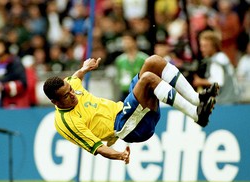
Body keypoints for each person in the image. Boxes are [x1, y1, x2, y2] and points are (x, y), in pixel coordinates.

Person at [43, 55, 218, 164]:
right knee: (148, 78)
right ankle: (197, 115)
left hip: (125, 108)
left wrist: (84, 68)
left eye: (71, 90)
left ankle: (197, 98)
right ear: (54, 102)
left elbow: (75, 78)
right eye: (66, 95)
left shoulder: (71, 85)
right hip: (126, 127)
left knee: (153, 62)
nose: (72, 94)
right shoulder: (66, 123)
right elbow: (97, 147)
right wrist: (119, 155)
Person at [193, 30, 240, 104]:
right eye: (201, 46)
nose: (202, 49)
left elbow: (218, 82)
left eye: (205, 46)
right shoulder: (222, 57)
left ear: (213, 46)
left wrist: (199, 81)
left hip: (225, 102)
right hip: (233, 99)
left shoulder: (216, 60)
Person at [0, 36, 28, 108]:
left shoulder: (14, 63)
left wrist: (3, 87)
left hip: (11, 105)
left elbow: (22, 84)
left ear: (5, 47)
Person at [115, 31, 149, 101]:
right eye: (124, 41)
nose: (125, 44)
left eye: (128, 41)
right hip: (125, 93)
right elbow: (118, 78)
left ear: (134, 42)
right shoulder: (119, 60)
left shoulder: (144, 59)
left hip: (140, 93)